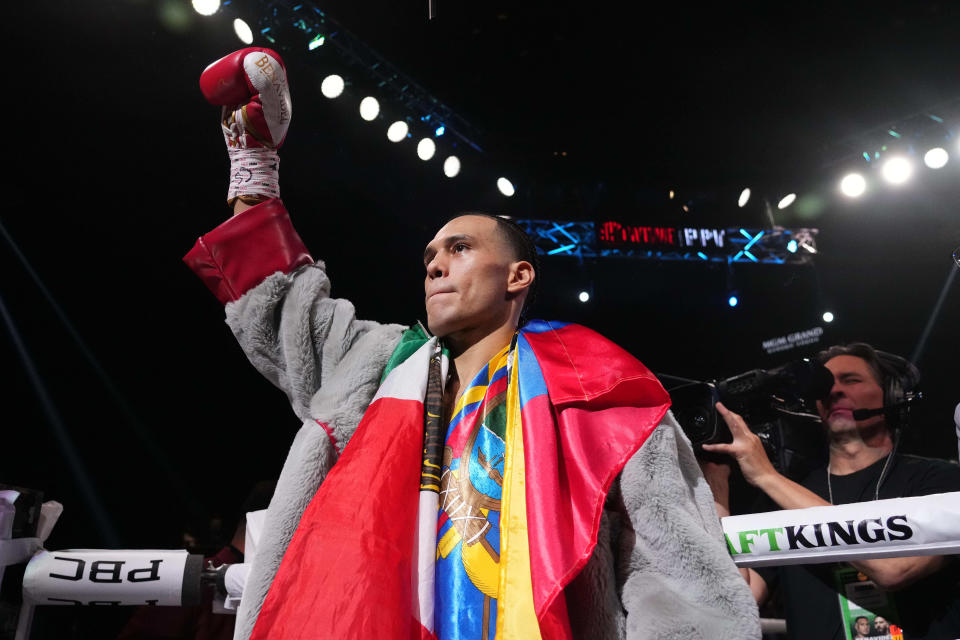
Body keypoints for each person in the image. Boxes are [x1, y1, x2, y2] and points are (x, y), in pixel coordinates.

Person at [185, 47, 758, 639]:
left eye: (459, 249)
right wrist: (253, 167)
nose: (435, 266)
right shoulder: (377, 365)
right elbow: (277, 305)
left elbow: (678, 577)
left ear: (518, 276)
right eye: (429, 257)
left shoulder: (599, 387)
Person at [702, 342, 960, 639]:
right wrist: (716, 484)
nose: (833, 391)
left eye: (851, 380)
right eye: (825, 385)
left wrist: (767, 476)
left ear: (891, 395)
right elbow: (738, 598)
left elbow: (895, 567)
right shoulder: (782, 496)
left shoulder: (939, 479)